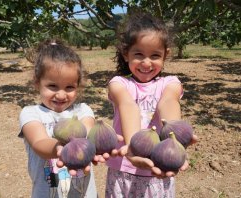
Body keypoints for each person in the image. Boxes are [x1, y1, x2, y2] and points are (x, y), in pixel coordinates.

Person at [106, 12, 198, 197]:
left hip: (158, 168)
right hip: (124, 170)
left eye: (155, 55)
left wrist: (174, 140)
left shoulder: (170, 83)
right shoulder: (119, 84)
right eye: (138, 54)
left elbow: (168, 102)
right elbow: (127, 105)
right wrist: (134, 146)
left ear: (165, 55)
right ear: (126, 55)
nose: (146, 62)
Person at [18, 39, 98, 198]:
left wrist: (101, 142)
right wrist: (60, 149)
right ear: (37, 83)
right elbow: (39, 142)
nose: (61, 95)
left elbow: (89, 135)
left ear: (78, 86)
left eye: (69, 87)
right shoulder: (31, 113)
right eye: (53, 86)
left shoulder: (82, 111)